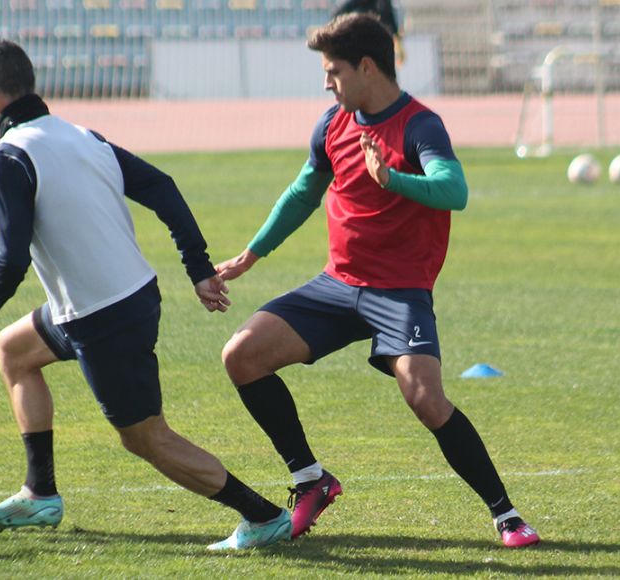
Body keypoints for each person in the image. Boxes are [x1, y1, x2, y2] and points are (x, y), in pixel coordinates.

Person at [0, 40, 291, 551]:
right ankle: (40, 494)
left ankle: (262, 516)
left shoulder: (7, 158)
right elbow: (164, 187)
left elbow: (12, 256)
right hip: (126, 297)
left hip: (102, 317)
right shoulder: (83, 137)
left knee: (145, 437)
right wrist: (195, 267)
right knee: (14, 351)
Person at [216, 13, 540, 548]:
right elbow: (302, 194)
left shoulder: (420, 125)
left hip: (400, 292)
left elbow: (453, 189)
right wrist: (250, 256)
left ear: (367, 67)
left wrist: (393, 179)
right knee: (241, 354)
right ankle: (310, 479)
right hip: (337, 285)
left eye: (333, 70)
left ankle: (505, 514)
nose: (327, 81)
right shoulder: (332, 124)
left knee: (425, 398)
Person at [333, 0, 405, 66]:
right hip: (361, 46)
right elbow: (337, 14)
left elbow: (390, 19)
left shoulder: (383, 3)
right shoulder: (353, 4)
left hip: (380, 47)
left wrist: (397, 40)